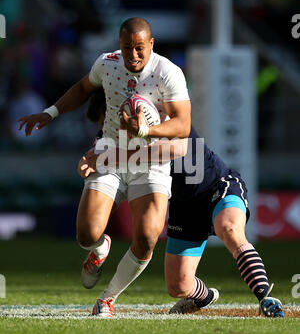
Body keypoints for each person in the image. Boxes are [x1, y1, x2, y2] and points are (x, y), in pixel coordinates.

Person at [18, 17, 191, 318]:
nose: (133, 56)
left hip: (150, 160)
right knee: (86, 233)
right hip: (109, 154)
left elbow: (183, 125)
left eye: (140, 48)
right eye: (127, 48)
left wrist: (145, 131)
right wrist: (51, 113)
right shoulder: (106, 64)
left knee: (148, 237)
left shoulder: (168, 73)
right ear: (119, 45)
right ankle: (99, 250)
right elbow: (83, 88)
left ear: (151, 44)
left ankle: (107, 299)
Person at [80, 93, 284, 319]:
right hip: (183, 206)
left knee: (229, 229)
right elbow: (103, 164)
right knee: (178, 285)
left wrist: (116, 155)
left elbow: (172, 149)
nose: (107, 129)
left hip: (216, 186)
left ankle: (266, 298)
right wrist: (89, 166)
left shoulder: (162, 116)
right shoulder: (111, 139)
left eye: (105, 121)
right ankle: (204, 297)